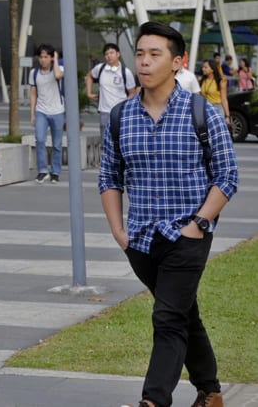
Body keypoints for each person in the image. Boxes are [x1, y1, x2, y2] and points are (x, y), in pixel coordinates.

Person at [100, 22, 238, 407]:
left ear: (177, 62)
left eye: (154, 54)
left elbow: (227, 176)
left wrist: (198, 224)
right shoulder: (120, 116)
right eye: (140, 53)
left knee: (166, 318)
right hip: (140, 240)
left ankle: (154, 400)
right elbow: (109, 177)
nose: (144, 62)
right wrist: (118, 231)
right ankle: (210, 392)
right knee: (182, 313)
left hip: (188, 234)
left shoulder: (202, 113)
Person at [29, 44, 65, 184]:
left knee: (57, 144)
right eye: (41, 57)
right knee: (40, 140)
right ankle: (42, 171)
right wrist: (32, 114)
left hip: (57, 111)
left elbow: (57, 75)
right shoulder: (34, 73)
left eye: (46, 57)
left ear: (51, 57)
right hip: (41, 111)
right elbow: (33, 94)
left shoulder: (59, 68)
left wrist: (55, 59)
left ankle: (55, 172)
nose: (43, 60)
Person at [86, 42, 138, 135]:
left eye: (111, 53)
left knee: (120, 140)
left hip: (120, 113)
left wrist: (125, 107)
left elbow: (132, 93)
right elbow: (89, 76)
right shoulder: (100, 68)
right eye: (106, 54)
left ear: (118, 54)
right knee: (104, 141)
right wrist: (89, 93)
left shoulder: (126, 72)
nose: (109, 56)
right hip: (104, 112)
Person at [199, 59, 231, 129]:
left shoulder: (221, 81)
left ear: (212, 69)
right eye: (203, 67)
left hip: (217, 109)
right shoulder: (202, 80)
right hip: (205, 110)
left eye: (205, 67)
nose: (203, 69)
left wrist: (227, 116)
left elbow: (224, 99)